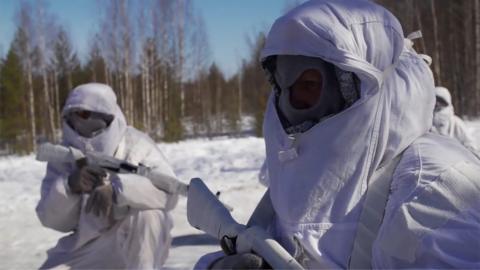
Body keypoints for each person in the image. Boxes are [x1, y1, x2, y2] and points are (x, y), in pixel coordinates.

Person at [204, 0, 480, 269]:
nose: (292, 103)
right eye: (283, 86)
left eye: (309, 84)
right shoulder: (301, 170)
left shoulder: (434, 189)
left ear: (360, 87)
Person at [36, 83, 178, 269]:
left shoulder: (136, 145)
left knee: (149, 214)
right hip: (90, 245)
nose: (82, 123)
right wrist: (69, 186)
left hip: (136, 242)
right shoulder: (64, 156)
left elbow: (170, 192)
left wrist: (118, 190)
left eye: (88, 116)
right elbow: (51, 220)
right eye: (76, 116)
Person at [432, 86, 478, 154]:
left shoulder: (456, 123)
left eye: (441, 102)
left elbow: (470, 146)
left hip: (456, 162)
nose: (438, 104)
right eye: (435, 102)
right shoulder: (426, 124)